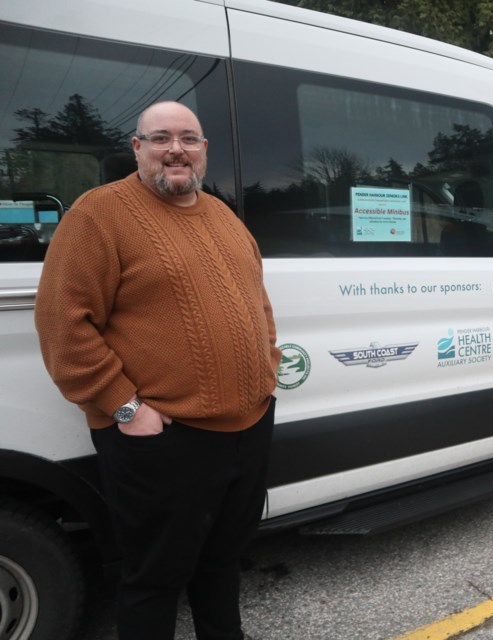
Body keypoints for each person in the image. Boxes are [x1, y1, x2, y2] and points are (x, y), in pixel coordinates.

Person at [35, 101, 281, 639]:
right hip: (164, 437)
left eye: (189, 138)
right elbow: (63, 326)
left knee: (222, 563)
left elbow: (258, 303)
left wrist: (266, 373)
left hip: (246, 429)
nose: (176, 149)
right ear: (137, 147)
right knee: (153, 578)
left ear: (204, 150)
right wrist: (125, 407)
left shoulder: (222, 215)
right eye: (161, 138)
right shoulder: (98, 215)